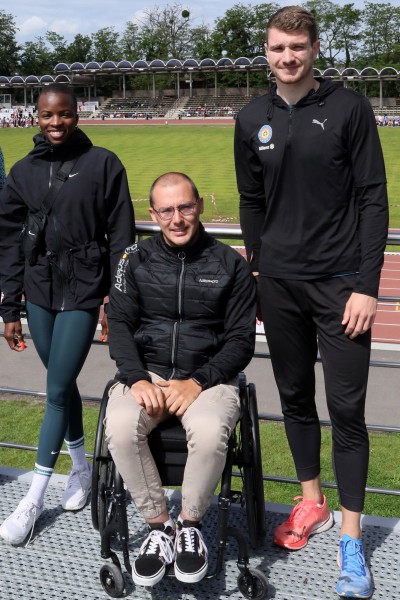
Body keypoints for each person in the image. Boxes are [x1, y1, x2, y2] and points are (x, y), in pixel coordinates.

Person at [234, 6, 388, 599]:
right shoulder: (252, 117)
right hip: (279, 284)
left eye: (297, 46)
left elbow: (374, 198)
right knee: (295, 399)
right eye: (277, 48)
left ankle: (352, 538)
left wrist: (367, 285)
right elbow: (250, 201)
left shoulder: (349, 108)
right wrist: (258, 265)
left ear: (315, 49)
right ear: (267, 52)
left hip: (341, 285)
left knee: (346, 411)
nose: (287, 57)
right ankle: (310, 503)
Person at [105, 172, 256, 587]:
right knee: (118, 427)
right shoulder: (132, 260)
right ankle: (159, 528)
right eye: (167, 210)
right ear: (153, 214)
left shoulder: (231, 264)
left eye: (185, 207)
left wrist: (199, 381)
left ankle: (190, 526)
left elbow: (242, 340)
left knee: (209, 431)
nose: (177, 218)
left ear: (200, 206)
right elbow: (118, 323)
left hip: (208, 376)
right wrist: (136, 378)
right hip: (147, 372)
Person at [0, 83, 135, 545]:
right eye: (46, 116)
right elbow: (8, 241)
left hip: (82, 290)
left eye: (64, 115)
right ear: (35, 117)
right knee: (63, 381)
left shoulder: (104, 164)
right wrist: (9, 304)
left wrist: (115, 299)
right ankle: (81, 469)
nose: (55, 123)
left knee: (55, 388)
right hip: (38, 290)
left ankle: (33, 499)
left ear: (78, 114)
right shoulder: (22, 171)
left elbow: (122, 237)